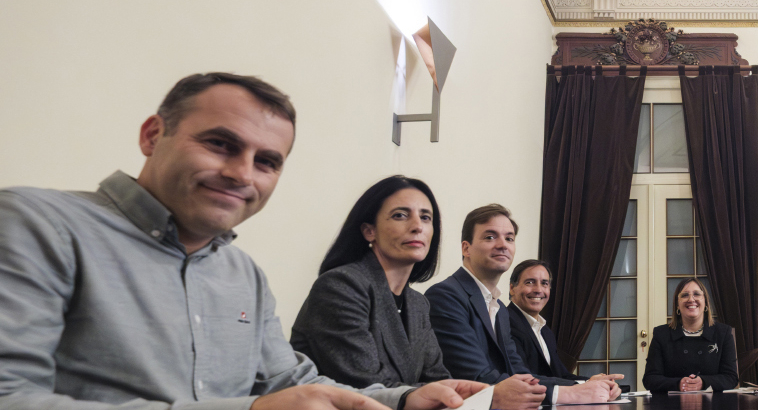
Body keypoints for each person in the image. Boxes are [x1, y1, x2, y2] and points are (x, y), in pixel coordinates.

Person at [0, 72, 503, 409]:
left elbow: (291, 381)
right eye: (220, 143)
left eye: (267, 162)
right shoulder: (37, 224)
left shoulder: (243, 273)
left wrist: (405, 400)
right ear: (152, 135)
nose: (242, 173)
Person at [426, 204, 619, 405]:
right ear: (466, 248)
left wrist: (587, 386)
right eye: (490, 237)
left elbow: (520, 375)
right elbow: (477, 377)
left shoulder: (500, 309)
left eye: (509, 238)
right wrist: (569, 394)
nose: (503, 245)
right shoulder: (445, 296)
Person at [289, 176, 449, 388]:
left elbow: (438, 379)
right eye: (400, 215)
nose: (417, 226)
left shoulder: (418, 303)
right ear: (369, 231)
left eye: (426, 217)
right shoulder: (340, 286)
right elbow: (366, 385)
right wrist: (439, 394)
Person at [505, 259, 626, 386]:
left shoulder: (545, 331)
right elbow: (524, 378)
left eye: (544, 283)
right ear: (512, 288)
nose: (538, 290)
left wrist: (590, 382)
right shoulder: (505, 324)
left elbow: (561, 375)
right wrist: (583, 387)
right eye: (530, 282)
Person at [642, 278, 739, 393]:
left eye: (697, 294)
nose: (691, 299)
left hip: (713, 402)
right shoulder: (661, 334)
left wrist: (703, 382)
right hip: (671, 402)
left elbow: (731, 378)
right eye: (684, 295)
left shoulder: (723, 333)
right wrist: (679, 384)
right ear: (677, 305)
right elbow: (650, 379)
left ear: (706, 303)